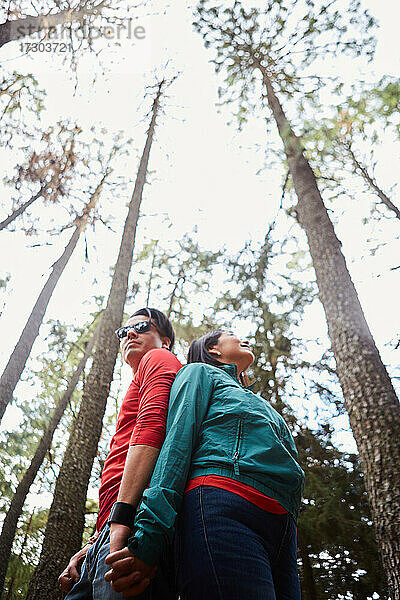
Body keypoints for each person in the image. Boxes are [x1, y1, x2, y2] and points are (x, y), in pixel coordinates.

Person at [105, 329, 305, 600]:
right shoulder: (198, 373)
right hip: (222, 506)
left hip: (282, 526)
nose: (243, 337)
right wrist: (149, 538)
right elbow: (176, 447)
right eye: (232, 334)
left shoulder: (260, 403)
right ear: (212, 349)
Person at [58, 307, 182, 600]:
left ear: (165, 341)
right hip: (109, 534)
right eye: (123, 332)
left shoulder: (158, 357)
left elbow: (154, 427)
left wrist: (121, 521)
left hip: (133, 525)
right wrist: (93, 543)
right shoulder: (138, 380)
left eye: (141, 326)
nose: (129, 334)